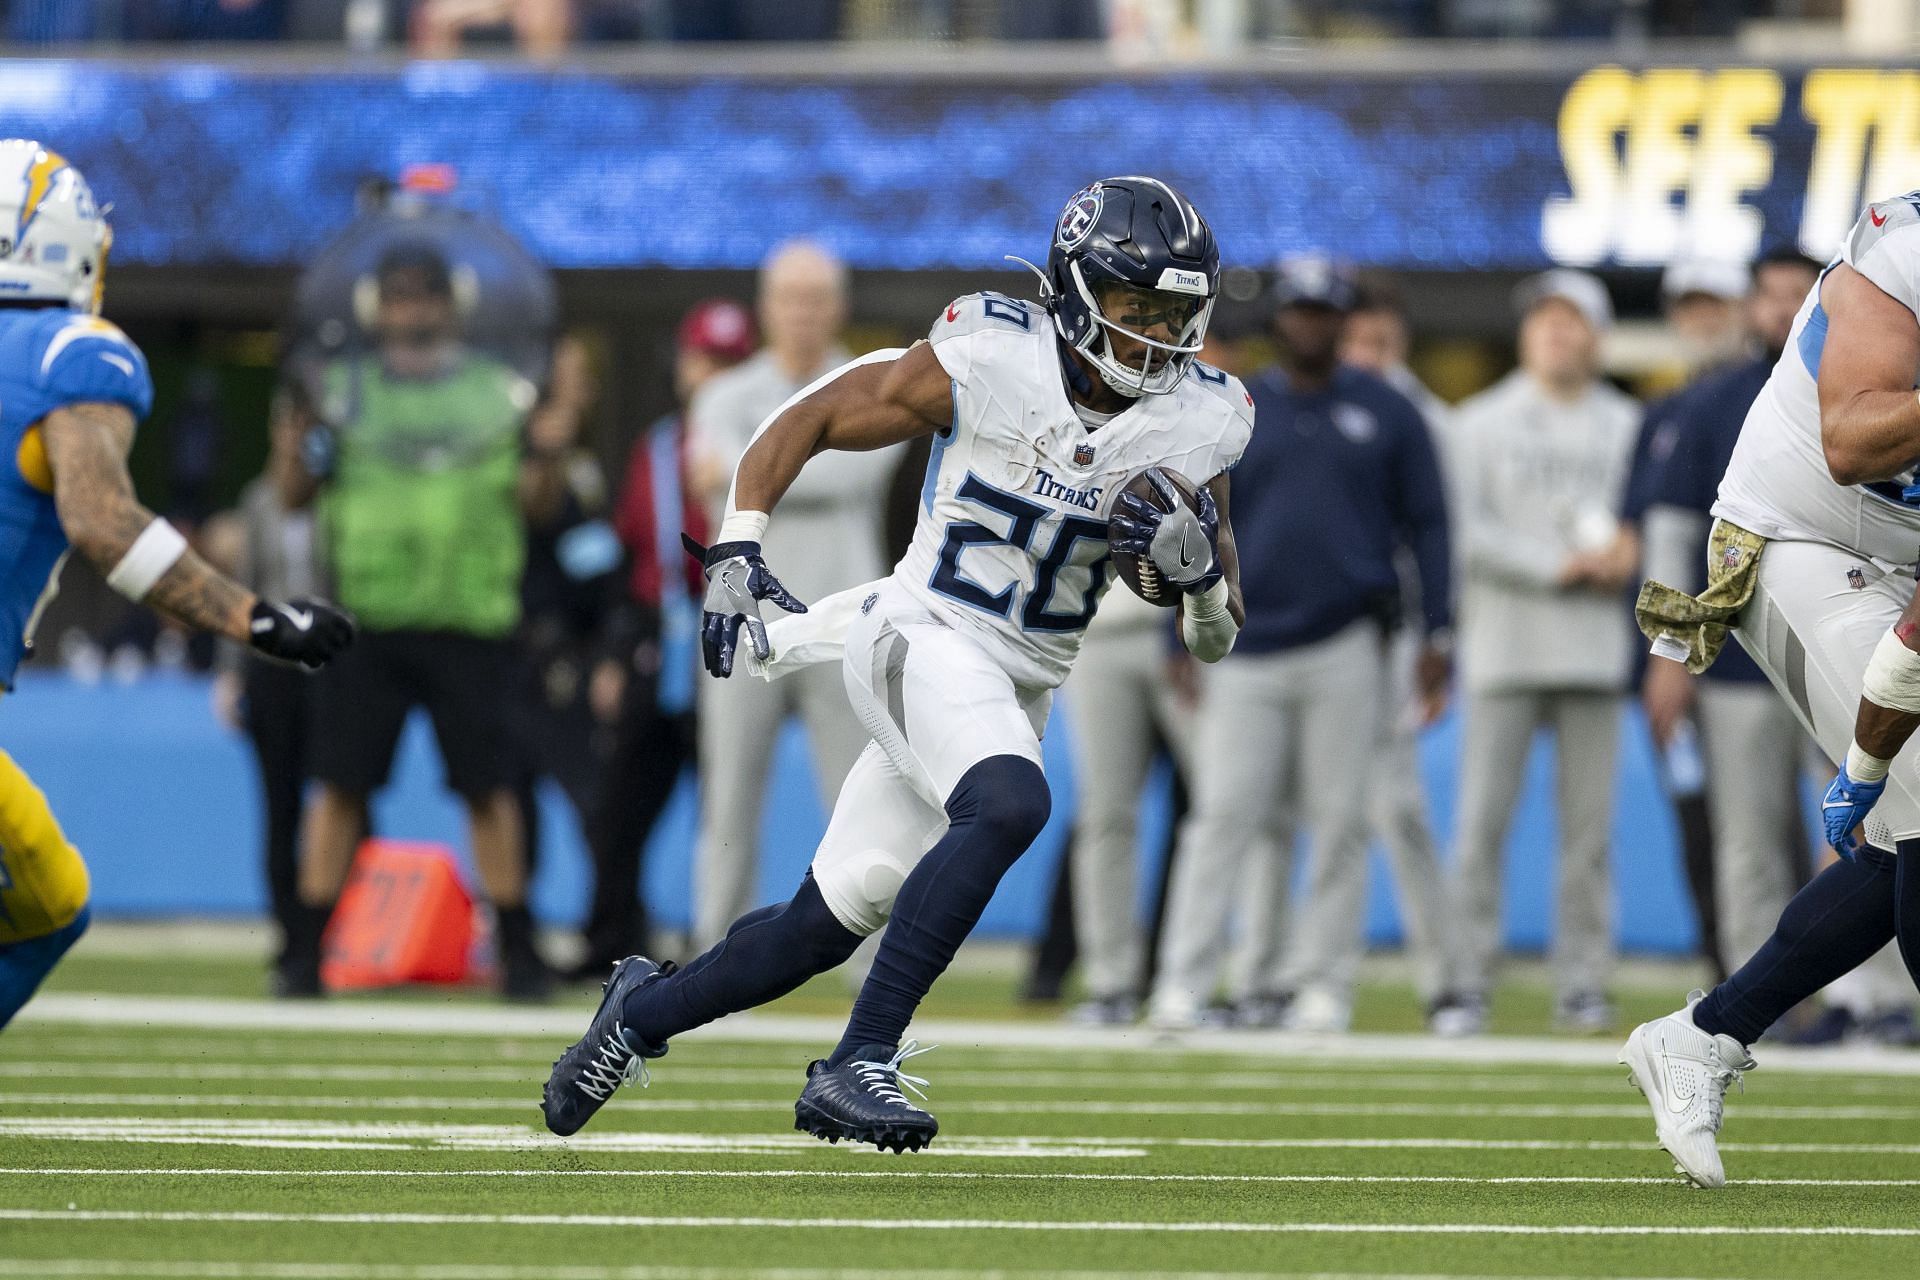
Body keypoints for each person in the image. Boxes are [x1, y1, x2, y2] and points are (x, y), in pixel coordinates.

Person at [542, 176, 1251, 1151]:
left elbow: (1219, 629)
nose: (1154, 333)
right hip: (920, 629)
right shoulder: (992, 351)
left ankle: (637, 1012)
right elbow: (813, 415)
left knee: (821, 922)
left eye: (1174, 312)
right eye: (1134, 307)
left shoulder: (1201, 418)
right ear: (1078, 293)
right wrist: (740, 543)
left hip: (1013, 681)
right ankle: (858, 1057)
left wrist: (1200, 580)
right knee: (1010, 804)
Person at [0, 141, 353, 1029]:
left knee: (49, 901)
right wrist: (256, 617)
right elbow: (102, 522)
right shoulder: (72, 355)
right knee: (48, 907)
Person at [1625, 191, 1920, 1187]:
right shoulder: (1902, 254)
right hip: (1803, 538)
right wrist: (1879, 759)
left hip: (1908, 577)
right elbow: (1854, 437)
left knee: (1906, 831)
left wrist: (1873, 765)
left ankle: (1703, 1035)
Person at [1146, 257, 1453, 1036]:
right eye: (1298, 311)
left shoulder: (1389, 411)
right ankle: (1181, 983)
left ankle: (1323, 986)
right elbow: (1187, 527)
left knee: (1341, 820)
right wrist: (1175, 629)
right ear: (1279, 319)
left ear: (1344, 319)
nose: (1310, 324)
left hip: (1348, 640)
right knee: (1222, 817)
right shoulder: (1236, 411)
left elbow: (1431, 526)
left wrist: (1439, 627)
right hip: (1243, 641)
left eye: (1324, 312)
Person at [280, 241, 570, 1001]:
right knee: (339, 787)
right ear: (377, 306)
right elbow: (291, 494)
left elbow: (537, 507)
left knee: (489, 788)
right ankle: (304, 953)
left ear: (452, 306)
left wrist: (551, 452)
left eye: (425, 296)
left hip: (471, 616)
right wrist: (297, 433)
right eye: (399, 296)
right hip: (365, 617)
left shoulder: (498, 393)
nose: (412, 310)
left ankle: (519, 951)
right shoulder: (341, 391)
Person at [683, 241, 899, 951]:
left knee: (863, 799)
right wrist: (814, 451)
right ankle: (716, 952)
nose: (803, 314)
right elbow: (707, 474)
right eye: (790, 298)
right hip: (742, 618)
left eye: (816, 299)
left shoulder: (874, 381)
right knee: (728, 798)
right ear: (766, 307)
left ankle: (869, 966)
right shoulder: (724, 392)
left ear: (837, 307)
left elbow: (852, 479)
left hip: (844, 620)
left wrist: (754, 470)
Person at [1448, 269, 1641, 1035]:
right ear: (1526, 334)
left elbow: (1647, 521)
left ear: (1595, 336)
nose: (1557, 334)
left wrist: (1631, 554)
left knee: (1589, 835)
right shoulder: (1479, 422)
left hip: (1596, 651)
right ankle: (1466, 981)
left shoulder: (1628, 423)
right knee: (1480, 826)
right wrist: (1557, 567)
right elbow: (1467, 534)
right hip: (1504, 649)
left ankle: (1585, 982)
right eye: (1545, 322)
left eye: (1572, 322)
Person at [1637, 248, 1824, 982]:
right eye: (1769, 294)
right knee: (1747, 839)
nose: (1782, 308)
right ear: (1751, 306)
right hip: (1741, 658)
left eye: (1796, 294)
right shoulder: (1712, 404)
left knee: (1872, 830)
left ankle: (1869, 1000)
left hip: (1841, 653)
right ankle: (1761, 996)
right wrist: (1669, 656)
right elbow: (1673, 534)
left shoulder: (1866, 388)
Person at [573, 299, 755, 978]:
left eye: (727, 365)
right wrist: (615, 654)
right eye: (703, 361)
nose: (710, 377)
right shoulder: (655, 451)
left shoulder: (765, 443)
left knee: (728, 806)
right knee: (620, 807)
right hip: (659, 643)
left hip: (730, 639)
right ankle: (609, 941)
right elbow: (629, 558)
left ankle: (721, 945)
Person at [214, 378, 335, 996]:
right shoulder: (258, 501)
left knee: (338, 807)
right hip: (273, 673)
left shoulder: (335, 500)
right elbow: (243, 599)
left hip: (326, 673)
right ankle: (293, 938)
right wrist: (229, 674)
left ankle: (324, 932)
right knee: (280, 809)